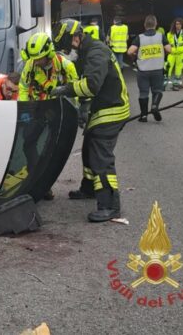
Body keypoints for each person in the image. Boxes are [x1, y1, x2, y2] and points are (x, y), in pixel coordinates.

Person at [50, 19, 130, 222]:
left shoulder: (96, 52)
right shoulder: (86, 51)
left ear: (76, 38)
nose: (67, 52)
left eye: (67, 47)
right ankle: (89, 188)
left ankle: (110, 205)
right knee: (88, 149)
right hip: (103, 106)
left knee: (100, 156)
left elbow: (91, 85)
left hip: (113, 109)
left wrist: (65, 90)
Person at [17, 32, 79, 200]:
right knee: (28, 145)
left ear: (49, 53)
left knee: (51, 151)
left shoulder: (65, 66)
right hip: (37, 112)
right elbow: (23, 87)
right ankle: (37, 181)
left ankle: (45, 185)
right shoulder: (29, 66)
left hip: (58, 114)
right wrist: (24, 110)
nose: (36, 62)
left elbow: (76, 91)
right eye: (34, 59)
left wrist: (76, 113)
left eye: (39, 59)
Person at [127, 15, 172, 122]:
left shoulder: (140, 37)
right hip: (157, 69)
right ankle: (155, 106)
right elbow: (169, 50)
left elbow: (129, 51)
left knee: (143, 92)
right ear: (156, 24)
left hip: (143, 71)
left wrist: (135, 56)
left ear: (144, 25)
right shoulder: (161, 36)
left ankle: (143, 116)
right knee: (157, 90)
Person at [166, 18, 183, 89]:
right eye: (176, 24)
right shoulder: (170, 34)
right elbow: (166, 43)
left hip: (181, 54)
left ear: (182, 25)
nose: (178, 25)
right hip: (172, 53)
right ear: (174, 25)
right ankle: (163, 84)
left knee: (179, 69)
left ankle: (176, 84)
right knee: (168, 67)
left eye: (179, 24)